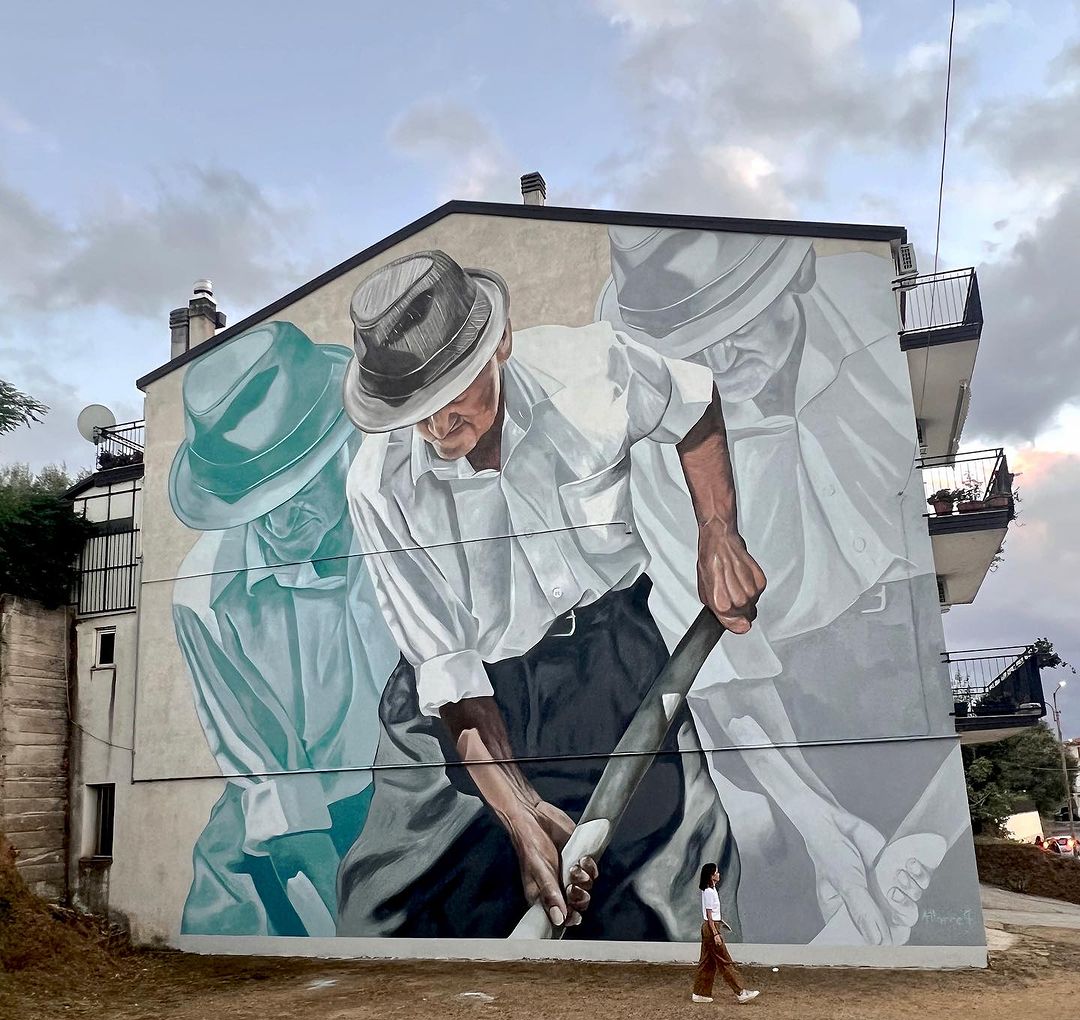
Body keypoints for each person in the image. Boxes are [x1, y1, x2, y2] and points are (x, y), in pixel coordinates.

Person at [336, 249, 765, 940]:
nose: (435, 428)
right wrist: (520, 809)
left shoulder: (593, 371)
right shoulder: (377, 486)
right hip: (468, 697)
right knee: (389, 913)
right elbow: (449, 673)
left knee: (677, 883)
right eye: (413, 411)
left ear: (500, 344)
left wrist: (718, 532)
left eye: (450, 395)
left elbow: (695, 405)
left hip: (613, 660)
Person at [598, 226, 942, 946]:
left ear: (800, 273)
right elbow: (725, 675)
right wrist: (817, 822)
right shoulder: (656, 442)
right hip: (786, 689)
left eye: (739, 326)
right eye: (694, 350)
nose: (720, 363)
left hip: (910, 650)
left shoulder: (875, 323)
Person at [170, 321, 399, 937]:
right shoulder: (203, 594)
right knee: (221, 933)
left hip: (418, 789)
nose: (275, 520)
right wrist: (345, 931)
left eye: (294, 487)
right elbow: (272, 778)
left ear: (341, 447)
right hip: (287, 804)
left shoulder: (407, 516)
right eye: (254, 500)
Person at [692, 862, 759, 1004]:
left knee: (707, 962)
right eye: (716, 872)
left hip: (711, 926)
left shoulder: (711, 890)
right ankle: (740, 992)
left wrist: (720, 923)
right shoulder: (709, 892)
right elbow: (709, 916)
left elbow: (713, 914)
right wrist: (716, 933)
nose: (719, 874)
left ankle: (700, 993)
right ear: (711, 876)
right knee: (725, 960)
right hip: (711, 928)